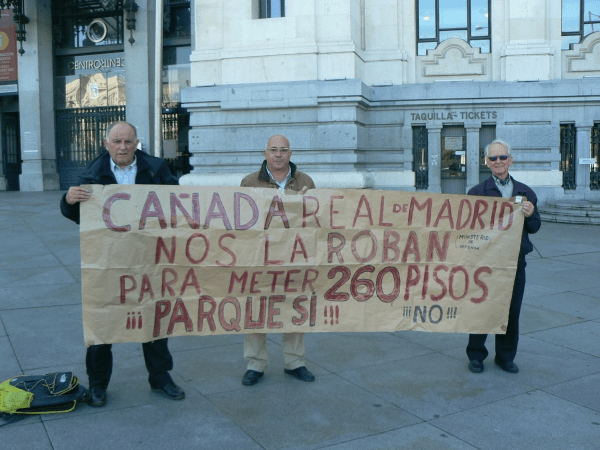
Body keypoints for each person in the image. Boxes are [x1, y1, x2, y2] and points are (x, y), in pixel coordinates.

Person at [60, 121, 186, 406]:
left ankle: (160, 377)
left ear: (136, 143)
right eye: (117, 141)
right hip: (108, 261)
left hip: (150, 259)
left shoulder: (156, 169)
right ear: (106, 144)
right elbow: (81, 216)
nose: (122, 147)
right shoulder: (91, 174)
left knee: (154, 318)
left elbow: (178, 202)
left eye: (128, 141)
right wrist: (68, 201)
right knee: (102, 319)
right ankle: (98, 384)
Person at [239, 134, 316, 386]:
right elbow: (241, 220)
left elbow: (317, 220)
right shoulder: (249, 182)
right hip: (260, 257)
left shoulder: (305, 181)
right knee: (256, 308)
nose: (279, 154)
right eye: (274, 150)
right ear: (265, 153)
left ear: (291, 154)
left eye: (283, 150)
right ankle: (255, 363)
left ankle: (295, 361)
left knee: (295, 306)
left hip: (295, 257)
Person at [466, 139, 541, 374]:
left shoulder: (526, 192)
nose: (498, 162)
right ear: (486, 162)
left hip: (515, 262)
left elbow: (536, 227)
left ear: (510, 159)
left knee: (512, 310)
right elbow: (468, 229)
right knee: (482, 309)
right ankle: (476, 355)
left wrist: (530, 215)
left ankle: (505, 356)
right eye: (493, 158)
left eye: (502, 157)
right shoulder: (477, 193)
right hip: (486, 263)